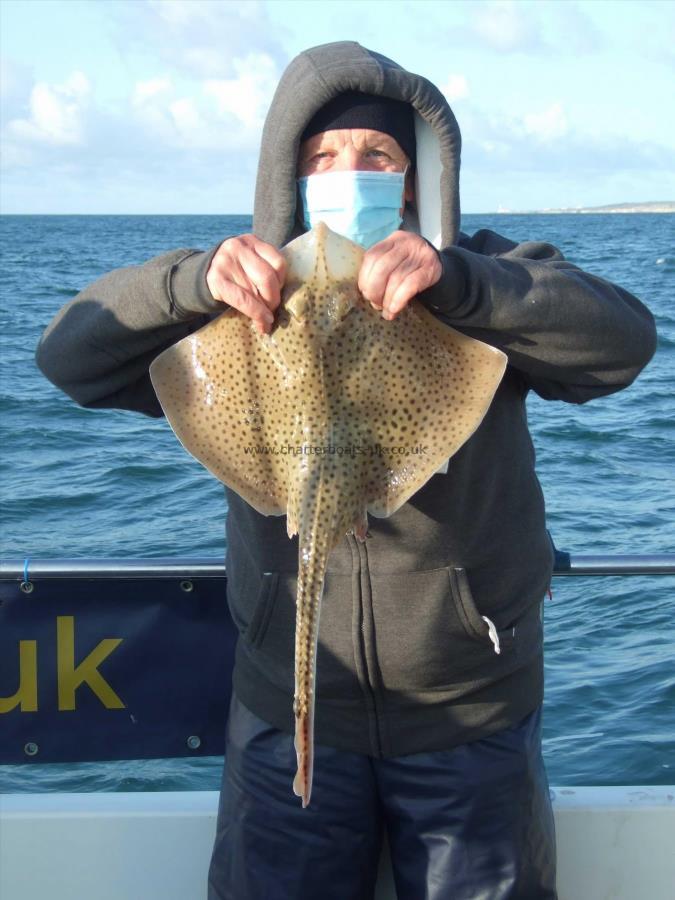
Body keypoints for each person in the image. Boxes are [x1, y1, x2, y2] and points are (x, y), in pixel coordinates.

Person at [37, 41, 656, 900]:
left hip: (467, 711)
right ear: (287, 175)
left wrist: (461, 282)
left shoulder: (475, 280)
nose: (346, 172)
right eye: (321, 157)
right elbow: (70, 357)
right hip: (284, 716)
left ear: (413, 176)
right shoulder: (241, 300)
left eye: (376, 155)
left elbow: (623, 343)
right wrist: (189, 285)